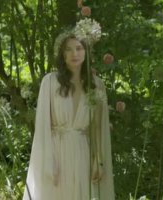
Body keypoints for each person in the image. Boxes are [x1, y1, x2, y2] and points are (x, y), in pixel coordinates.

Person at [22, 29, 115, 200]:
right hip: (56, 153)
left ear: (86, 52)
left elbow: (97, 126)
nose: (74, 54)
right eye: (69, 49)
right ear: (61, 54)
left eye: (79, 48)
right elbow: (43, 126)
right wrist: (47, 160)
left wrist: (98, 160)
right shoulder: (49, 82)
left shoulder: (96, 85)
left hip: (83, 153)